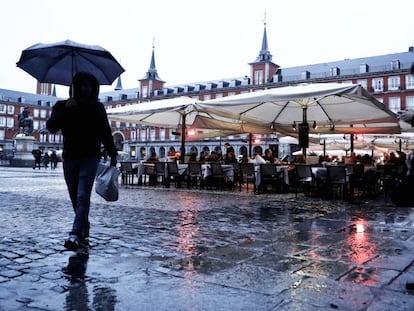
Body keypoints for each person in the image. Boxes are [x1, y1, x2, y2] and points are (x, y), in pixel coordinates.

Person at [46, 72, 118, 250]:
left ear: (94, 88)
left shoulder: (97, 107)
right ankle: (84, 226)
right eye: (83, 85)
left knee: (82, 195)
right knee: (74, 196)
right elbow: (51, 127)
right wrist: (64, 110)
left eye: (90, 86)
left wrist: (112, 153)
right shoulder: (63, 105)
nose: (86, 88)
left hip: (90, 157)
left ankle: (75, 233)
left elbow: (105, 131)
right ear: (76, 86)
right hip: (70, 157)